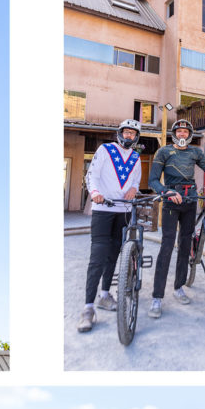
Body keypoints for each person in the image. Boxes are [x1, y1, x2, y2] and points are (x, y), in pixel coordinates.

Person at [147, 120, 205, 319]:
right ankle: (157, 297)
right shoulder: (163, 152)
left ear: (189, 135)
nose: (182, 135)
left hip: (190, 202)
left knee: (185, 245)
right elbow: (153, 180)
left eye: (185, 132)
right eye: (179, 131)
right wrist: (166, 191)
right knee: (166, 246)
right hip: (171, 202)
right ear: (175, 134)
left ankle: (179, 287)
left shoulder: (196, 152)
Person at [77, 118, 143, 333]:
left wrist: (134, 189)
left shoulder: (136, 157)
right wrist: (95, 193)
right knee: (97, 257)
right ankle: (88, 308)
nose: (128, 136)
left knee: (114, 255)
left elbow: (135, 180)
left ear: (136, 137)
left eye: (132, 134)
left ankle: (105, 295)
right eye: (126, 132)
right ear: (119, 133)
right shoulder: (105, 150)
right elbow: (92, 175)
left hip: (123, 211)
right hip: (103, 210)